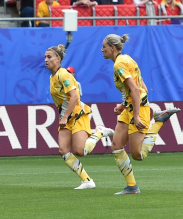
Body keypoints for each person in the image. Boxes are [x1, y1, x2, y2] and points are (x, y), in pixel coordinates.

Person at [100, 34, 181, 195]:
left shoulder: (119, 65)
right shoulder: (128, 59)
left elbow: (136, 90)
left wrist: (136, 116)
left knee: (138, 155)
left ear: (112, 48)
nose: (102, 49)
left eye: (104, 46)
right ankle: (132, 187)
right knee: (116, 146)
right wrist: (124, 106)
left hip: (138, 108)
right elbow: (142, 86)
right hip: (131, 106)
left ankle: (159, 121)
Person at [45, 45, 115, 190]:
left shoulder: (63, 74)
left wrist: (64, 117)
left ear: (58, 59)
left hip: (77, 114)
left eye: (49, 57)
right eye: (45, 57)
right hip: (67, 116)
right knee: (63, 150)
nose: (46, 60)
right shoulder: (52, 77)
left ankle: (100, 132)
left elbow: (75, 97)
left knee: (79, 151)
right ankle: (87, 181)